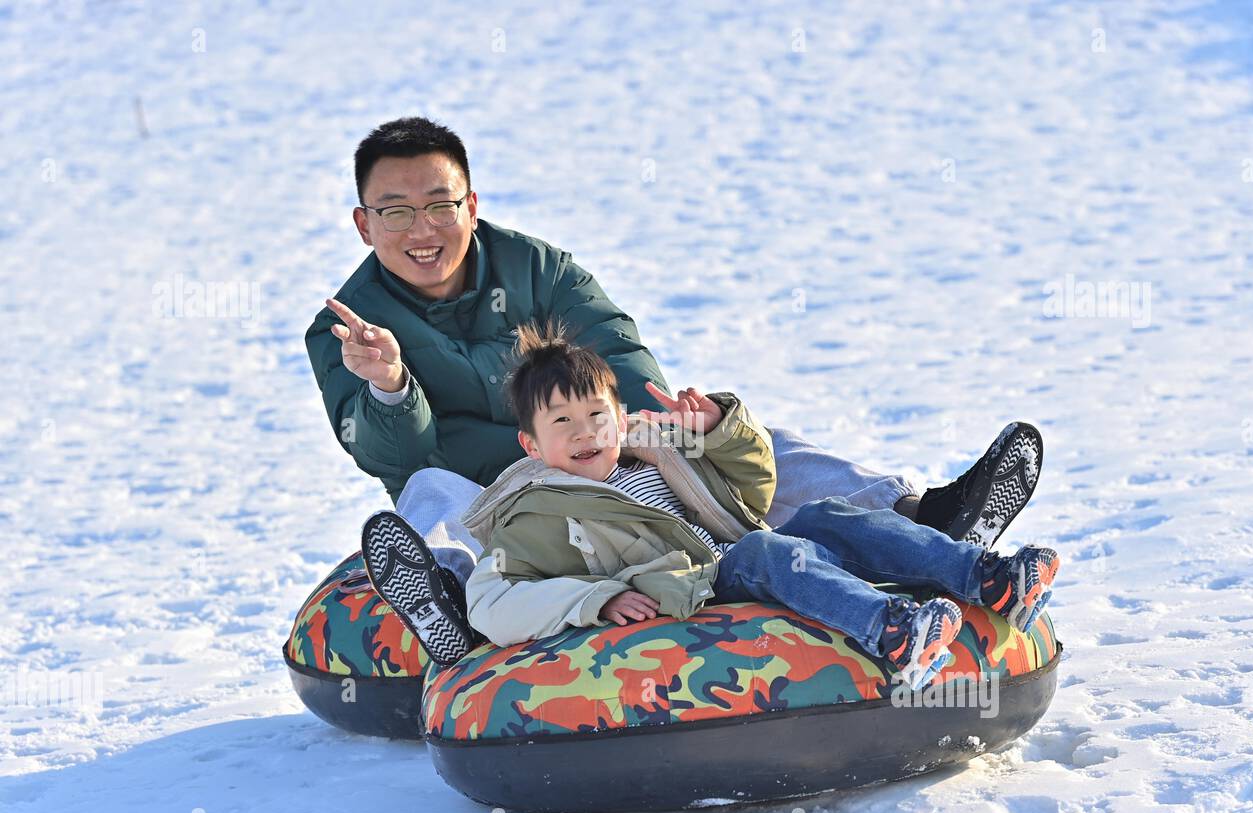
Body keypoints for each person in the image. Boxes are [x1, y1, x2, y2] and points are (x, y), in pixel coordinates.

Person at [309, 117, 1044, 644]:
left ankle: (920, 514)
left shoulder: (539, 269)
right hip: (501, 492)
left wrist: (640, 429)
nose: (422, 229)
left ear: (471, 204)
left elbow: (618, 352)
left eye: (440, 204)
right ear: (363, 223)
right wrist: (391, 389)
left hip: (608, 441)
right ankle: (447, 601)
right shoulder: (344, 327)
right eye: (396, 211)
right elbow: (390, 457)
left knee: (758, 442)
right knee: (425, 495)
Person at [362, 325, 1059, 691]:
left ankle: (984, 576)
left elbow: (754, 492)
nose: (585, 435)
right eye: (562, 424)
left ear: (619, 414)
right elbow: (496, 598)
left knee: (819, 518)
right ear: (531, 445)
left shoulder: (657, 455)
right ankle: (893, 634)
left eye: (596, 416)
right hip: (691, 585)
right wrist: (596, 600)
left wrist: (717, 431)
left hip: (740, 548)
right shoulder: (535, 512)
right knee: (767, 549)